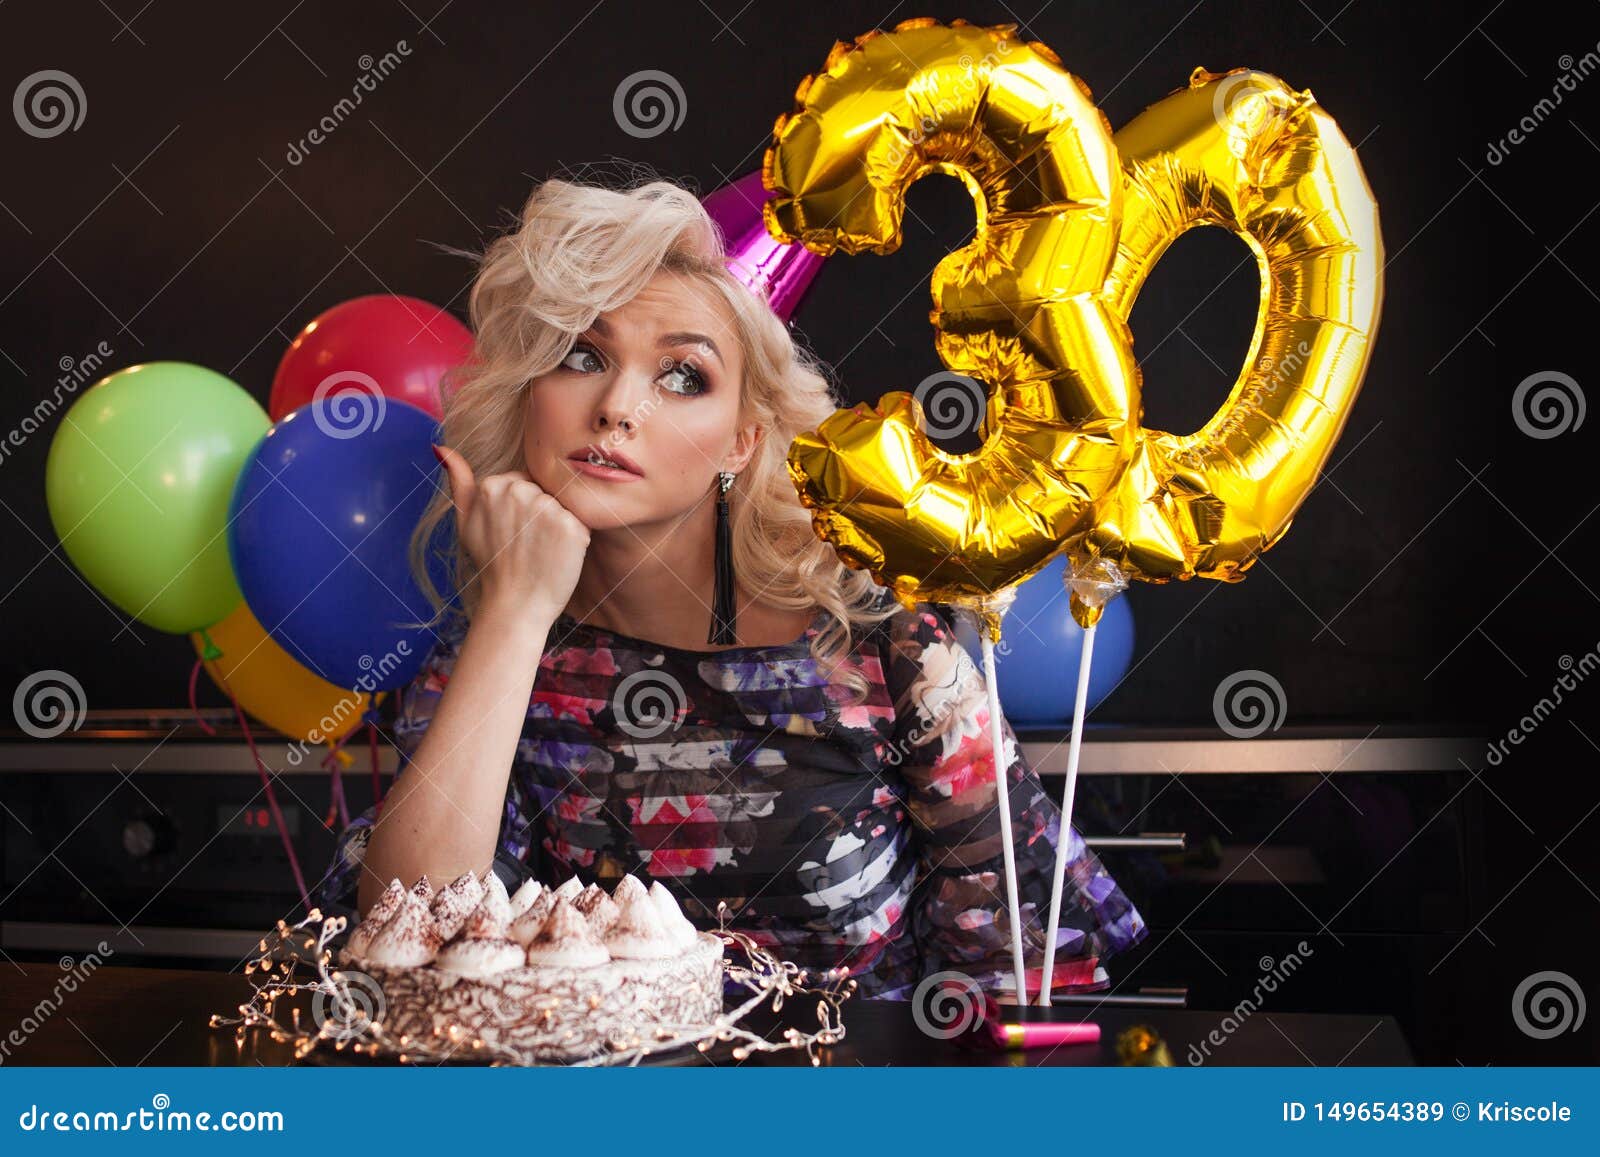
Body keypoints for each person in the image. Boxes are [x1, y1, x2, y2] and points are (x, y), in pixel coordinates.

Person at [314, 172, 1147, 1001]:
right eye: (582, 355)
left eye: (681, 375)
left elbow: (1035, 975)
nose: (616, 406)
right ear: (529, 395)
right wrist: (515, 614)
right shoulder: (490, 650)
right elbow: (407, 946)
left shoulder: (881, 650)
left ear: (742, 444)